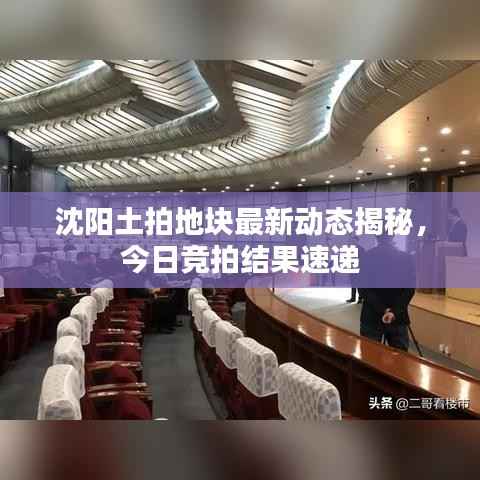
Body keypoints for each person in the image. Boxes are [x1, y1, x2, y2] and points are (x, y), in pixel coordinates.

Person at [358, 234, 416, 351]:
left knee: (369, 357)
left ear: (376, 236)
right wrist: (394, 311)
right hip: (398, 317)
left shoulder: (366, 257)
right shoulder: (406, 258)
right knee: (399, 358)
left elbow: (363, 289)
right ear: (393, 236)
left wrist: (383, 309)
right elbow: (409, 290)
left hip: (372, 316)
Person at [346, 235, 365, 304]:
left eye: (354, 240)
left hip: (359, 269)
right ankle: (353, 298)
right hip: (352, 268)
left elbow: (363, 260)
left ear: (357, 241)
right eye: (352, 240)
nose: (352, 241)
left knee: (359, 285)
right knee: (353, 284)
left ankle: (360, 298)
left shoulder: (361, 249)